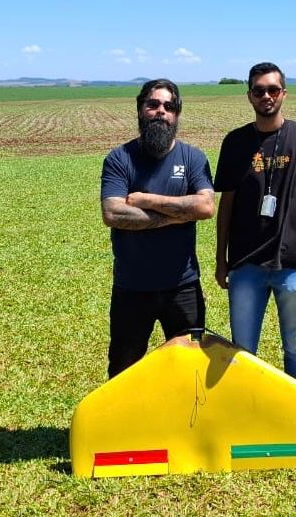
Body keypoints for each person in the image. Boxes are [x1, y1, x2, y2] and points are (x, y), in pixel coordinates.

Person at [214, 62, 296, 385]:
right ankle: (247, 413)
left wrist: (291, 225)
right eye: (258, 90)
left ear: (284, 93)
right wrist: (221, 260)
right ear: (249, 96)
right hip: (244, 264)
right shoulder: (235, 142)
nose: (266, 96)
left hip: (291, 264)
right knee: (242, 352)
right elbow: (227, 204)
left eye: (273, 89)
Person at [100, 78, 215, 378]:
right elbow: (113, 212)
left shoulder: (192, 158)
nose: (160, 111)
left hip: (183, 286)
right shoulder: (119, 159)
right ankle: (123, 425)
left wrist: (146, 200)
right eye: (153, 105)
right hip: (131, 287)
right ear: (140, 110)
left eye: (169, 106)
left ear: (177, 114)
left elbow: (204, 207)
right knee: (124, 369)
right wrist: (176, 214)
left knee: (191, 369)